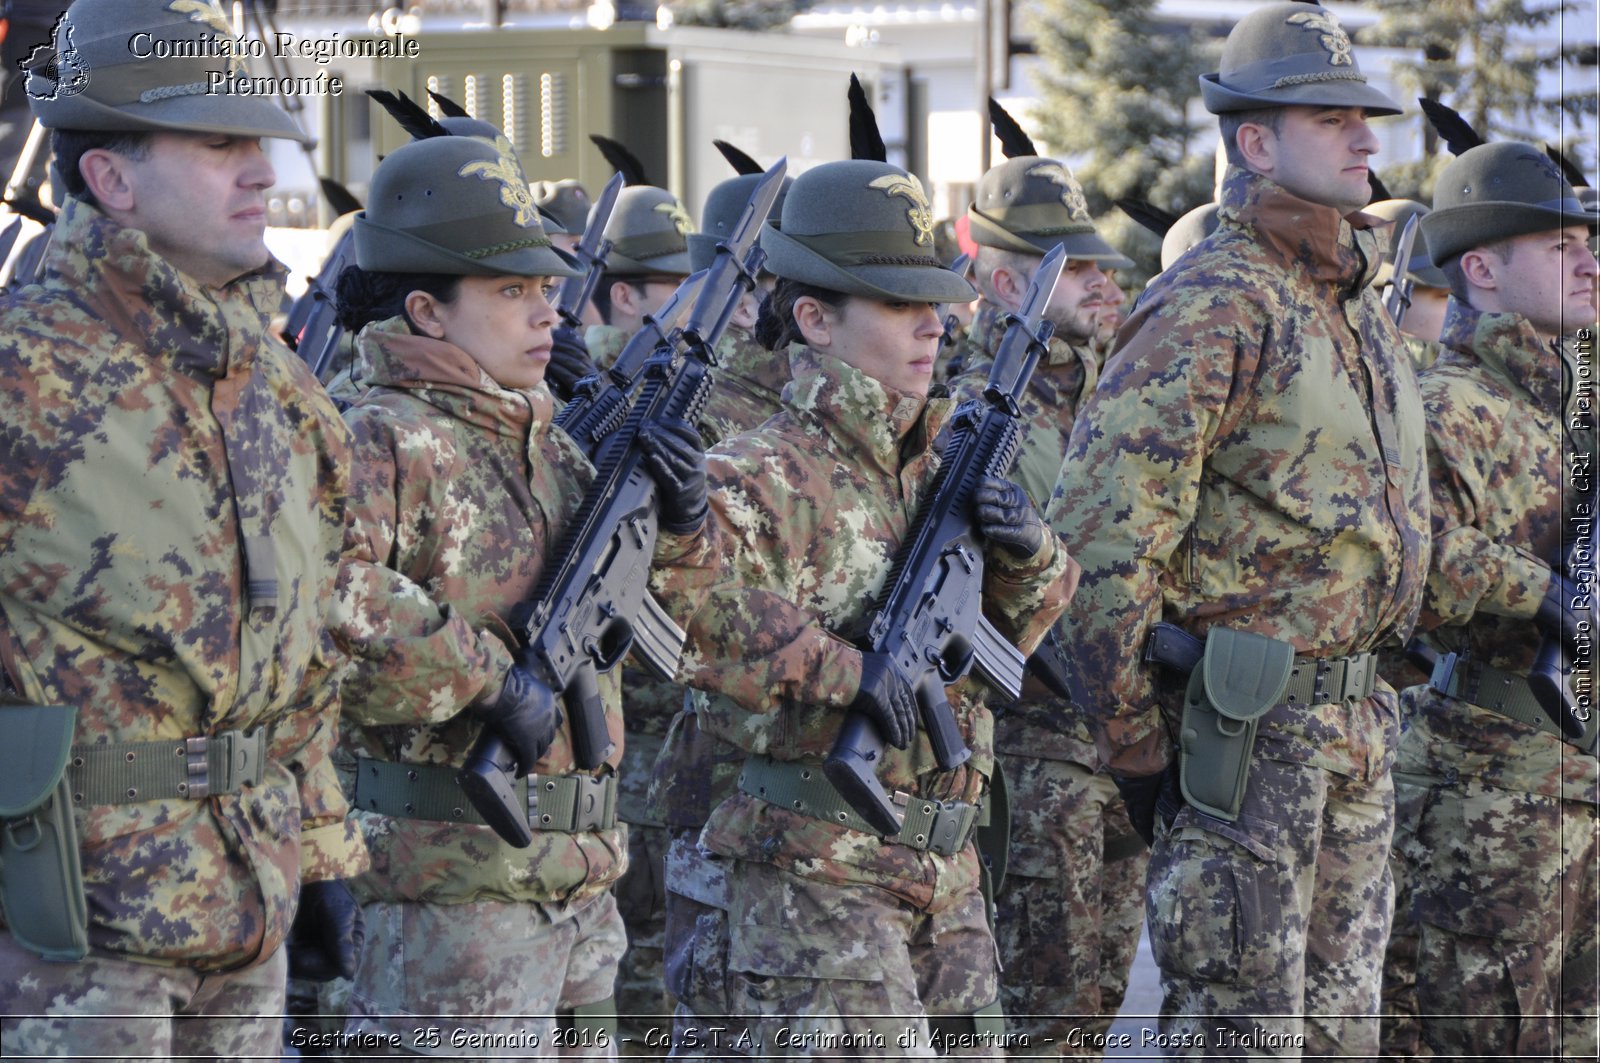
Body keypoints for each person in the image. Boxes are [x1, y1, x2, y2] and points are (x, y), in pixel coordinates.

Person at [1047, 3, 1430, 1055]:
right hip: (1245, 745)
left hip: (1354, 734)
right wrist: (1134, 746)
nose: (1364, 136)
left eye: (1366, 114)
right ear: (1255, 142)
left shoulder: (1352, 311)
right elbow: (1101, 547)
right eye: (1332, 117)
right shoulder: (1213, 304)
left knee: (1338, 1036)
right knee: (1241, 1036)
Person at [0, 0, 366, 1056]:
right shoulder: (24, 374)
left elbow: (314, 633)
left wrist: (324, 845)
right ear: (111, 178)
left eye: (258, 143)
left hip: (251, 914)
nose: (261, 171)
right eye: (218, 144)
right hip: (66, 939)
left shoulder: (284, 389)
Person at [653, 157, 1081, 1056]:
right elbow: (690, 617)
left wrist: (1027, 556)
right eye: (896, 304)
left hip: (948, 878)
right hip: (817, 886)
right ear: (813, 318)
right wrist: (850, 671)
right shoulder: (757, 472)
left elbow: (1007, 644)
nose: (934, 324)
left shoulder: (938, 463)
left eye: (934, 300)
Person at [327, 133, 710, 1057]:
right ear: (427, 309)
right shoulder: (376, 438)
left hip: (579, 885)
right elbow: (327, 601)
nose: (548, 313)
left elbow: (676, 627)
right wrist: (493, 678)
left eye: (547, 288)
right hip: (453, 902)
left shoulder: (554, 446)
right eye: (512, 291)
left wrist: (687, 522)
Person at [1379, 140, 1599, 1059]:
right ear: (1483, 270)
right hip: (1486, 803)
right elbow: (1403, 563)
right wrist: (1542, 591)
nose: (1590, 261)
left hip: (1578, 789)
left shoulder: (1575, 402)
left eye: (1589, 242)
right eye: (1560, 247)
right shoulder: (1446, 405)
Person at [950, 156, 1147, 1056]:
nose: (1105, 283)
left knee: (1102, 1007)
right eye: (1079, 269)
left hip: (1124, 742)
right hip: (1033, 753)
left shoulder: (1121, 392)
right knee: (1043, 1011)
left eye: (1104, 265)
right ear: (1002, 279)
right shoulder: (970, 410)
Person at [586, 184, 696, 369]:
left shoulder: (676, 365)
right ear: (625, 298)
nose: (696, 298)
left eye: (697, 282)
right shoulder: (592, 379)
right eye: (681, 284)